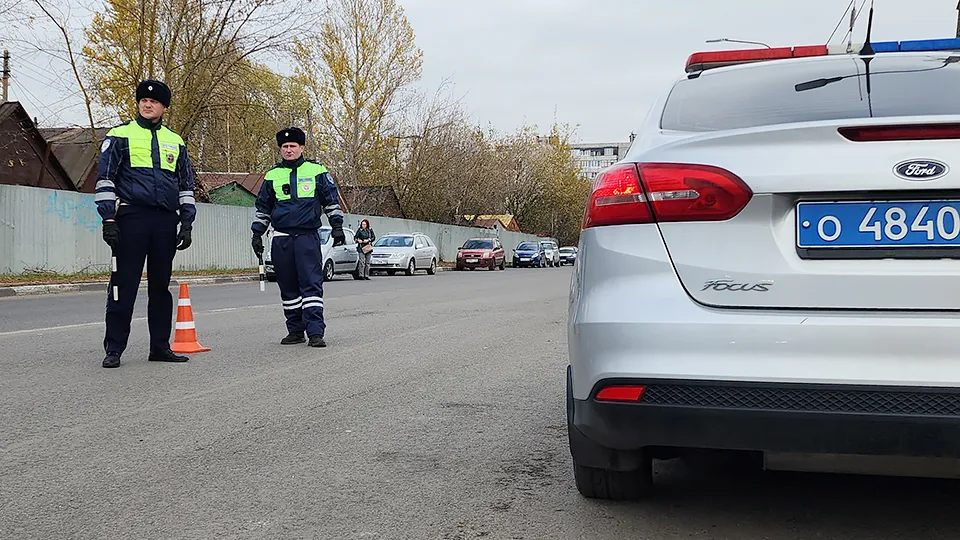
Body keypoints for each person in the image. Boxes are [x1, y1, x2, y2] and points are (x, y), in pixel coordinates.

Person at [95, 79, 196, 369]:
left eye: (153, 101)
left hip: (165, 220)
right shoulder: (119, 135)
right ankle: (114, 348)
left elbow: (185, 186)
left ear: (164, 107)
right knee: (123, 284)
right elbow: (105, 179)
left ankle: (160, 347)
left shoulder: (175, 141)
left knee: (160, 287)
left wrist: (186, 224)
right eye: (142, 100)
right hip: (131, 217)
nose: (147, 104)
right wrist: (108, 219)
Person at [251, 127, 345, 347]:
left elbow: (331, 201)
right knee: (288, 286)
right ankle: (295, 330)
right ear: (280, 149)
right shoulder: (272, 175)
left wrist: (337, 226)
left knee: (311, 284)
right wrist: (257, 233)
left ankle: (315, 332)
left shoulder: (317, 171)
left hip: (307, 237)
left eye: (293, 146)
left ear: (301, 147)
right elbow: (263, 207)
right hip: (281, 239)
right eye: (285, 147)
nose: (289, 150)